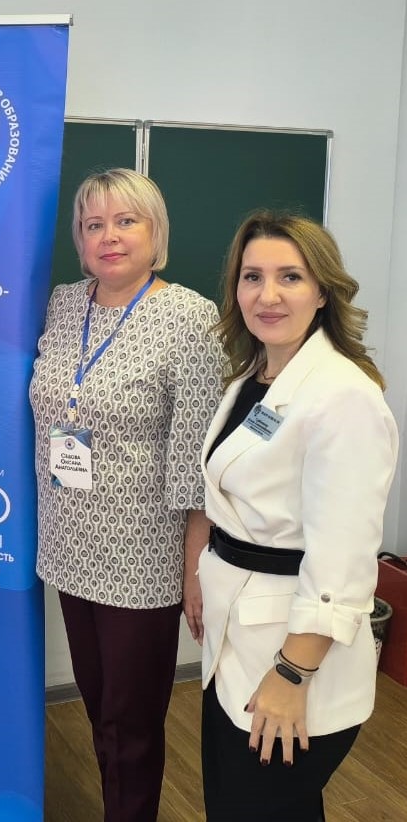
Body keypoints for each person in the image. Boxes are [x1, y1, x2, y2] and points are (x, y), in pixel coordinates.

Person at [29, 168, 223, 821]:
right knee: (97, 709)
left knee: (130, 722)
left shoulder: (189, 318)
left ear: (154, 233)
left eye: (125, 221)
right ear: (80, 241)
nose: (108, 236)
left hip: (142, 560)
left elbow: (195, 459)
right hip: (68, 546)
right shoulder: (63, 303)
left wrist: (193, 568)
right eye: (94, 225)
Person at [199, 211, 397, 821]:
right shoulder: (255, 378)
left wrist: (291, 675)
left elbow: (344, 560)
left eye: (290, 276)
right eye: (252, 277)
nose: (268, 295)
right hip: (238, 642)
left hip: (292, 661)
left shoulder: (344, 396)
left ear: (323, 291)